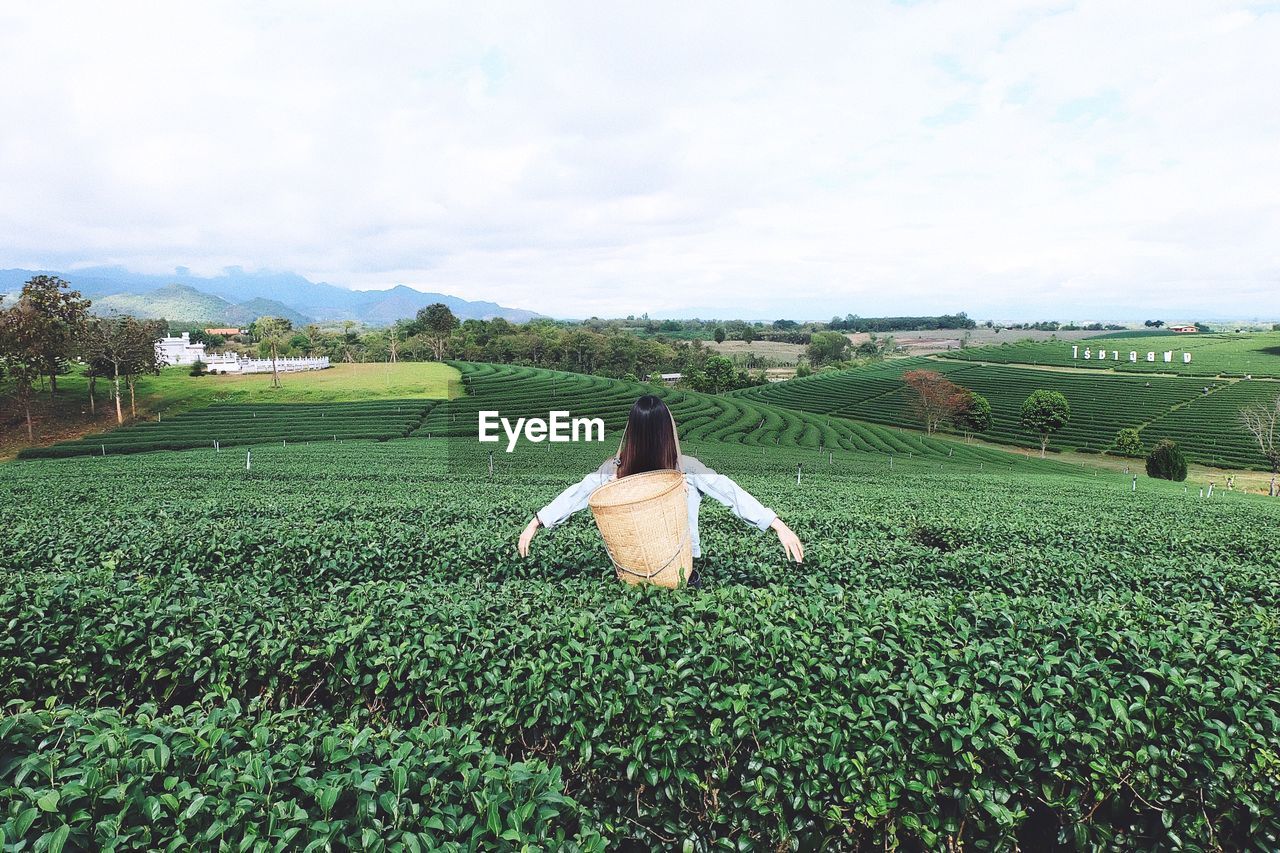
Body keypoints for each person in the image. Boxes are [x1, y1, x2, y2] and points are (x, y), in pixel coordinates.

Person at [517, 395, 804, 583]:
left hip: (629, 577)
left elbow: (576, 494)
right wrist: (776, 524)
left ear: (633, 434)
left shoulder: (614, 473)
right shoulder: (686, 470)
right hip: (680, 575)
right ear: (668, 432)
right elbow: (730, 493)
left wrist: (536, 522)